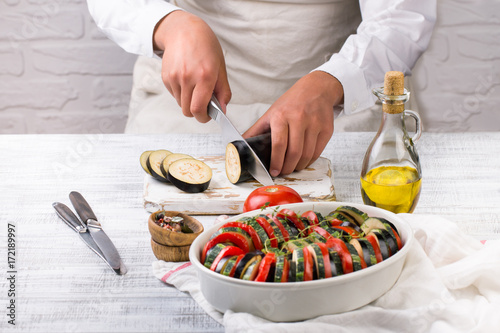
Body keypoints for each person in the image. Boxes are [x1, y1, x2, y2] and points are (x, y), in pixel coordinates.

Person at [87, 0, 436, 177]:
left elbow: (401, 17)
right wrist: (169, 25)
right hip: (181, 108)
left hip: (343, 103)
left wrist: (331, 83)